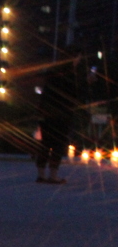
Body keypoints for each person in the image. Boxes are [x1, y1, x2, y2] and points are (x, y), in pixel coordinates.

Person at [36, 53, 81, 184]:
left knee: (46, 143)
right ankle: (53, 174)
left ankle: (41, 174)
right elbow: (73, 96)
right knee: (58, 144)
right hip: (61, 115)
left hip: (47, 114)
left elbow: (45, 95)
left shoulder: (52, 75)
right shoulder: (70, 76)